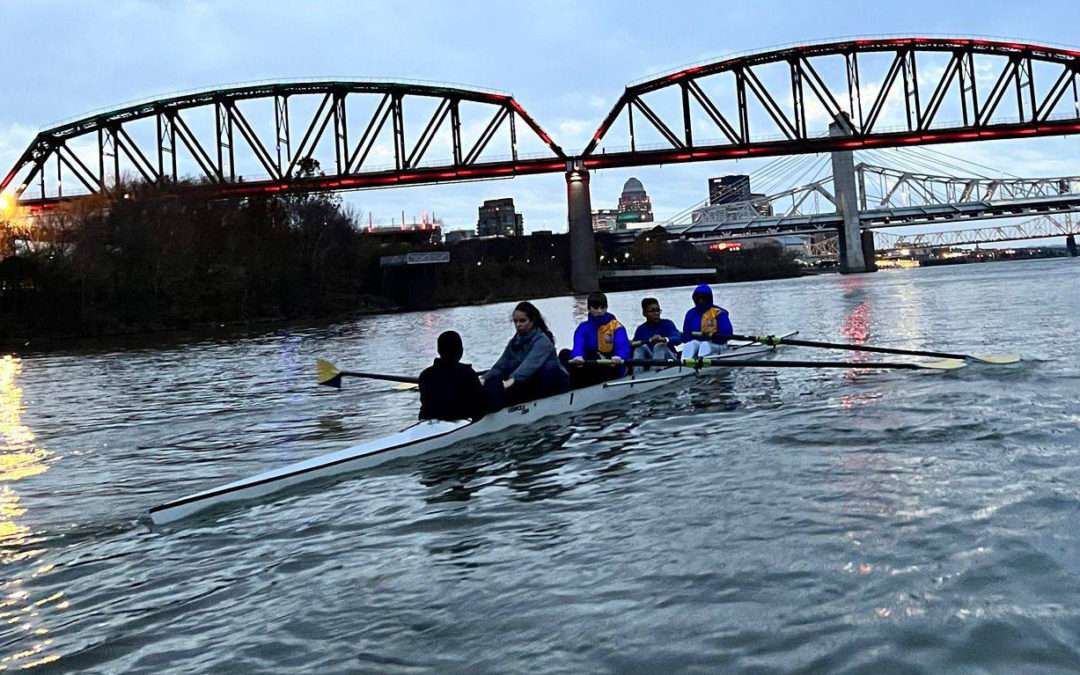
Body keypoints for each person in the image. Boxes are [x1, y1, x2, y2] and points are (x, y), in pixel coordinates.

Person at [483, 301, 570, 408]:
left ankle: (543, 402)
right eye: (515, 321)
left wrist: (509, 382)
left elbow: (528, 366)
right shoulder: (514, 342)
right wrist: (483, 379)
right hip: (529, 380)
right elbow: (500, 366)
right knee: (510, 364)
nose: (518, 325)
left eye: (522, 321)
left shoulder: (542, 341)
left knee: (549, 367)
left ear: (532, 321)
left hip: (555, 382)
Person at [566, 290, 632, 386]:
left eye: (603, 307)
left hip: (612, 365)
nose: (600, 311)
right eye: (596, 307)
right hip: (591, 365)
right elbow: (578, 345)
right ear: (589, 308)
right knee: (564, 353)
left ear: (606, 307)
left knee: (592, 354)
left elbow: (623, 346)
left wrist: (620, 356)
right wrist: (577, 356)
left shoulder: (616, 326)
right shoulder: (583, 328)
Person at [418, 331, 486, 422]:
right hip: (462, 421)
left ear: (438, 350)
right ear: (460, 350)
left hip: (427, 420)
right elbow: (481, 405)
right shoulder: (467, 373)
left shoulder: (424, 375)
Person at [681, 284, 733, 360]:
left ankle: (701, 364)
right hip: (699, 343)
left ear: (709, 298)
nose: (700, 300)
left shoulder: (719, 313)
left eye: (703, 297)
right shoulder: (690, 314)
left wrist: (715, 336)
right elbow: (686, 337)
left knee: (705, 345)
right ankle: (683, 364)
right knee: (690, 345)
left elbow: (727, 333)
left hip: (717, 343)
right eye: (698, 297)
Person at [632, 297, 681, 364]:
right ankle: (637, 373)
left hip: (670, 360)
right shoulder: (640, 329)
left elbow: (678, 339)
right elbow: (633, 346)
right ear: (644, 313)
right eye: (652, 311)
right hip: (652, 358)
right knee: (639, 349)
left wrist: (664, 339)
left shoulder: (667, 323)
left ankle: (656, 371)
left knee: (659, 346)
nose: (656, 313)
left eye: (658, 310)